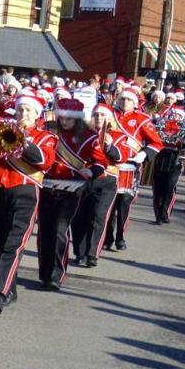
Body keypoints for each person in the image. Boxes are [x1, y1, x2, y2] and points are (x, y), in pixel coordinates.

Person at [0, 95, 55, 312]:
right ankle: (10, 290)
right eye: (20, 110)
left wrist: (22, 140)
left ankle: (0, 291)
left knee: (14, 243)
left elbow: (43, 161)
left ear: (37, 114)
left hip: (25, 192)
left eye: (28, 111)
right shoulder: (3, 130)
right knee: (0, 242)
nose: (23, 114)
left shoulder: (45, 137)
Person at [38, 96, 92, 291]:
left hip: (72, 188)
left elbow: (100, 161)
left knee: (60, 229)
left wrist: (92, 171)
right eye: (63, 118)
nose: (65, 122)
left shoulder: (88, 137)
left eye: (70, 119)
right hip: (47, 186)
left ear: (77, 119)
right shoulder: (50, 133)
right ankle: (45, 273)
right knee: (45, 230)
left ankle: (56, 274)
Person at [106, 86, 160, 250]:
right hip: (109, 163)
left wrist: (143, 155)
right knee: (109, 202)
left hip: (129, 164)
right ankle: (107, 236)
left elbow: (156, 142)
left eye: (129, 99)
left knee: (124, 202)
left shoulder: (141, 118)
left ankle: (120, 236)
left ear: (134, 102)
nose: (125, 102)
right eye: (122, 98)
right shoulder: (110, 114)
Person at [71, 104, 125, 267]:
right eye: (96, 115)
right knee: (79, 217)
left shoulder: (118, 136)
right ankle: (80, 253)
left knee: (98, 217)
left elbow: (120, 157)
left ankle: (92, 253)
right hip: (85, 179)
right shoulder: (83, 135)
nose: (99, 118)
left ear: (109, 118)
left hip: (106, 181)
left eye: (103, 115)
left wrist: (109, 146)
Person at [151, 93, 185, 224]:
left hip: (176, 159)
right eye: (174, 115)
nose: (175, 117)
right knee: (158, 187)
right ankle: (158, 213)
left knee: (170, 186)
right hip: (161, 156)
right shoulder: (162, 125)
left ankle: (165, 211)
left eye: (178, 116)